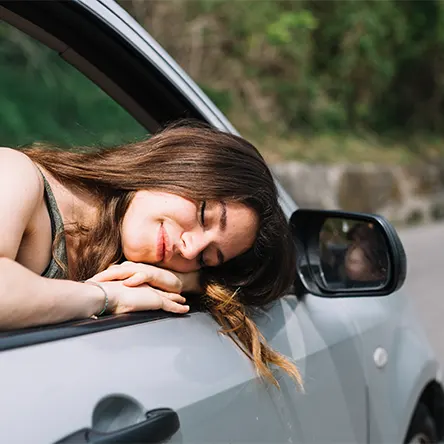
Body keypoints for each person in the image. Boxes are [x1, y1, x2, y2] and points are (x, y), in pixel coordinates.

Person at [0, 121, 301, 388]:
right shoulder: (15, 175)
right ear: (175, 165)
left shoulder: (131, 266)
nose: (190, 248)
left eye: (206, 258)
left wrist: (187, 282)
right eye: (204, 214)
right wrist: (104, 297)